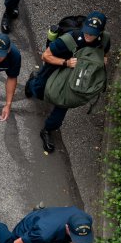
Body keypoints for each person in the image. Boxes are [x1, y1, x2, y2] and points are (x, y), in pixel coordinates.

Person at [27, 12, 110, 153]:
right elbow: (46, 56)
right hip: (57, 68)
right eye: (87, 32)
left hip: (77, 77)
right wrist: (66, 62)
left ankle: (47, 130)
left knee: (63, 104)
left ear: (100, 32)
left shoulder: (105, 38)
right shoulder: (70, 39)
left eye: (93, 34)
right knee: (39, 90)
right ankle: (32, 81)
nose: (88, 36)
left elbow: (105, 54)